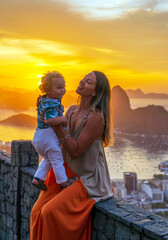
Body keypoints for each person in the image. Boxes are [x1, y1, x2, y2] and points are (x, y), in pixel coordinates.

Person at [30, 71, 114, 240]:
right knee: (36, 211)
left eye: (88, 82)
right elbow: (57, 135)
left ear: (95, 92)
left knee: (50, 212)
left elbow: (75, 151)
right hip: (67, 171)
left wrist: (56, 124)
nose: (82, 82)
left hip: (87, 177)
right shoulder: (72, 110)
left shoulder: (96, 117)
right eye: (84, 78)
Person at [31, 71, 71, 191]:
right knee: (58, 158)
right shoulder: (53, 103)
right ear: (47, 90)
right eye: (58, 88)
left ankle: (38, 178)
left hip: (39, 137)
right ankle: (63, 182)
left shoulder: (43, 100)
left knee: (48, 159)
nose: (62, 90)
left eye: (63, 87)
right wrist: (64, 119)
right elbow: (49, 120)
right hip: (48, 137)